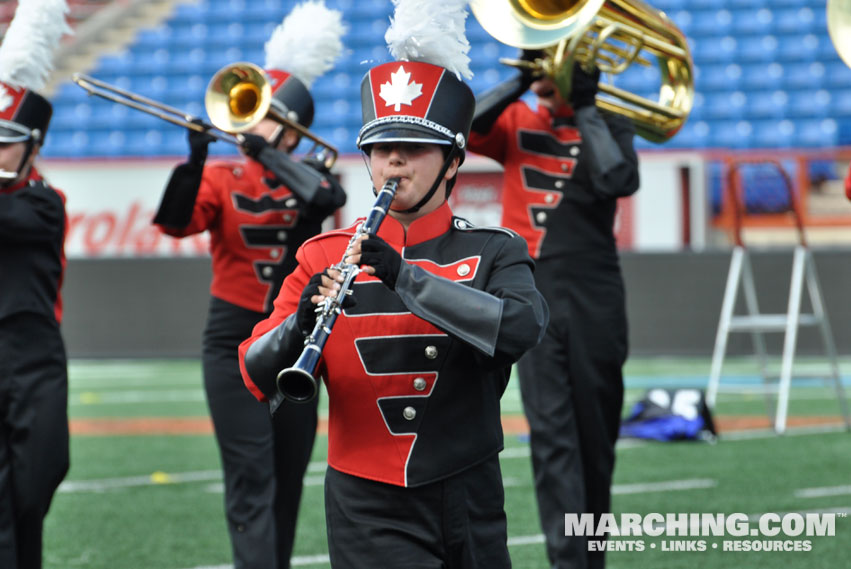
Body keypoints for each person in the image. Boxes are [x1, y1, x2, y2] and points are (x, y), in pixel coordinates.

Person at [237, 1, 548, 566]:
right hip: (365, 504)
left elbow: (520, 328)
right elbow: (257, 375)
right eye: (381, 149)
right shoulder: (321, 256)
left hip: (470, 493)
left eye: (415, 149)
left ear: (452, 161)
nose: (395, 163)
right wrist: (300, 322)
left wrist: (404, 276)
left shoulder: (494, 250)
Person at [151, 3, 346, 568]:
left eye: (266, 116)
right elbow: (174, 222)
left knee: (287, 478)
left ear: (291, 128)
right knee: (251, 474)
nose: (251, 125)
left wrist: (267, 153)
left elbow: (324, 200)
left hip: (297, 337)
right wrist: (191, 162)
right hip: (232, 337)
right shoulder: (221, 173)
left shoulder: (317, 170)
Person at [466, 52, 640, 569]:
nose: (546, 76)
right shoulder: (517, 118)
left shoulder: (610, 121)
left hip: (594, 291)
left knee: (595, 438)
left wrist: (585, 105)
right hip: (532, 291)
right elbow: (464, 127)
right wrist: (522, 76)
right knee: (551, 438)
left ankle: (593, 560)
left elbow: (617, 179)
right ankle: (567, 562)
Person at [0, 2, 72, 568]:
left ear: (33, 145)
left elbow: (15, 220)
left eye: (6, 141)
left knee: (41, 475)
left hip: (32, 356)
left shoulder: (44, 203)